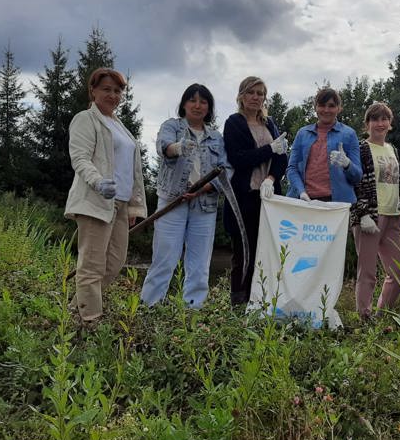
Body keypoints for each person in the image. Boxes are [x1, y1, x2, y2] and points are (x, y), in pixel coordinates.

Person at [65, 67, 149, 328]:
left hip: (121, 205)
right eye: (106, 89)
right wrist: (98, 181)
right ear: (93, 91)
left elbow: (132, 169)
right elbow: (79, 158)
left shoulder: (120, 126)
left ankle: (71, 311)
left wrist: (134, 206)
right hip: (96, 202)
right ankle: (90, 321)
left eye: (117, 90)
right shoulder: (85, 119)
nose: (113, 95)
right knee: (91, 265)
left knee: (113, 264)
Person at [140, 84, 230, 309]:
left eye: (203, 102)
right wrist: (178, 147)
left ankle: (192, 311)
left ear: (209, 107)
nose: (198, 105)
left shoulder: (216, 137)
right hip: (172, 202)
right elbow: (164, 147)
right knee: (165, 258)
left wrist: (206, 188)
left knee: (199, 264)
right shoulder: (171, 126)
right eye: (193, 100)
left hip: (205, 205)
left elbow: (226, 170)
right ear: (184, 104)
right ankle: (149, 308)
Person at [222, 76, 289, 305]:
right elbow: (238, 159)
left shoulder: (270, 124)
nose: (256, 97)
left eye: (260, 93)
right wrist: (269, 148)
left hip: (267, 197)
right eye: (251, 92)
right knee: (243, 253)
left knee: (266, 251)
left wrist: (271, 178)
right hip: (243, 198)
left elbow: (281, 157)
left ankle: (260, 302)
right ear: (241, 96)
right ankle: (239, 304)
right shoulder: (233, 123)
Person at [351, 102, 400, 319]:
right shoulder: (360, 148)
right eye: (375, 119)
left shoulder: (391, 149)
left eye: (384, 119)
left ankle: (381, 315)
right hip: (370, 216)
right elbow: (354, 182)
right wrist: (362, 212)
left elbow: (396, 182)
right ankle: (364, 320)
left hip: (393, 216)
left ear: (390, 124)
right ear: (367, 124)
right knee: (367, 273)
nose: (380, 123)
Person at [287, 87, 362, 203]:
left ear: (339, 108)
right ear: (315, 107)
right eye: (322, 105)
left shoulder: (349, 134)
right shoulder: (302, 133)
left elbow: (357, 177)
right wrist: (301, 192)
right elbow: (292, 168)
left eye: (331, 106)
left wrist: (347, 164)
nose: (326, 110)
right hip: (304, 201)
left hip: (337, 206)